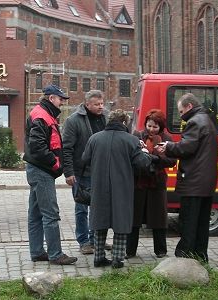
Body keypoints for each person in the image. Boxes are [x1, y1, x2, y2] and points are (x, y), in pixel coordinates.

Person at [82, 109, 155, 268]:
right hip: (122, 187)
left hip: (99, 186)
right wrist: (144, 151)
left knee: (100, 222)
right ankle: (117, 259)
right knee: (121, 222)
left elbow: (85, 159)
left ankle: (99, 257)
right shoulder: (131, 140)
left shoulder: (94, 138)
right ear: (124, 122)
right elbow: (142, 163)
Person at [156, 93, 218, 263]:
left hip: (194, 180)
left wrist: (168, 147)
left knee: (189, 220)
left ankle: (184, 254)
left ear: (189, 106)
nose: (180, 114)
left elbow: (186, 148)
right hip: (206, 181)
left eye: (181, 110)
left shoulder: (194, 122)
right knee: (201, 222)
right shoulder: (207, 119)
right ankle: (200, 254)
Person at [23, 84, 77, 265]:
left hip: (37, 169)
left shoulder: (42, 113)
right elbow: (37, 147)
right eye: (60, 99)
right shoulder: (42, 115)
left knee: (36, 214)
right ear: (51, 98)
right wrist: (55, 163)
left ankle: (37, 252)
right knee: (50, 214)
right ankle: (55, 254)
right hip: (42, 170)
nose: (62, 102)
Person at [62, 90, 112, 255]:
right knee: (82, 208)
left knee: (100, 208)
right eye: (97, 104)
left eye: (102, 103)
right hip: (81, 172)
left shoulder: (106, 118)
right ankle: (84, 241)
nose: (101, 107)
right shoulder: (73, 121)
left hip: (102, 171)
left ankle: (97, 239)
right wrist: (68, 172)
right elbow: (67, 149)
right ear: (87, 104)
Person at [126, 109, 176, 259]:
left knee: (159, 217)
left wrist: (155, 158)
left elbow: (172, 161)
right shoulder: (137, 135)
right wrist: (140, 152)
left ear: (161, 126)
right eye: (149, 126)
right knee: (134, 218)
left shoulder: (167, 138)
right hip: (139, 181)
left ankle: (160, 250)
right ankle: (130, 250)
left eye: (155, 127)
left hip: (157, 182)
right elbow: (130, 157)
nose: (151, 129)